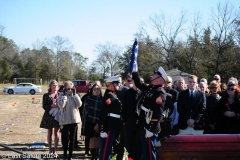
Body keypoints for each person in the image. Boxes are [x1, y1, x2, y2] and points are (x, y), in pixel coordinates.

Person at [132, 66, 168, 160]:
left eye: (155, 74)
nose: (152, 75)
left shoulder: (160, 93)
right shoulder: (152, 88)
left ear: (159, 79)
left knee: (150, 153)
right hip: (144, 125)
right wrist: (135, 73)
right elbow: (139, 84)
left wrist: (150, 129)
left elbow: (157, 113)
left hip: (150, 127)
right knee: (145, 152)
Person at [99, 75, 123, 160]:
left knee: (108, 150)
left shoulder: (113, 95)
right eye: (118, 83)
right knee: (105, 150)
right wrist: (102, 130)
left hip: (113, 127)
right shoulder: (109, 96)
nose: (119, 85)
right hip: (108, 127)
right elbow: (103, 113)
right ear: (112, 84)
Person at [58, 80, 82, 160]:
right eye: (68, 89)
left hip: (74, 120)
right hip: (65, 120)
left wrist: (75, 95)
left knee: (72, 139)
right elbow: (61, 105)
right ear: (64, 89)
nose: (69, 91)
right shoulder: (61, 96)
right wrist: (65, 96)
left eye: (71, 89)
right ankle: (65, 155)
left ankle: (70, 155)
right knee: (65, 139)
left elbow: (79, 104)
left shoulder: (75, 95)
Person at [122, 77, 144, 160]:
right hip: (129, 122)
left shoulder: (142, 93)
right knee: (129, 143)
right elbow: (124, 107)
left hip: (140, 122)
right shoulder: (127, 93)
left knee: (138, 144)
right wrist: (124, 121)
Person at [82, 83, 103, 160]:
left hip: (99, 123)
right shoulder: (88, 98)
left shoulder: (102, 100)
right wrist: (91, 124)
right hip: (90, 122)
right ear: (91, 90)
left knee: (98, 139)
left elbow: (103, 113)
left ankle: (97, 155)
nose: (96, 91)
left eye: (98, 89)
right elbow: (86, 112)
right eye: (95, 89)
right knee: (91, 140)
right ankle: (92, 155)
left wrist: (98, 123)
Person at [40, 80, 60, 155]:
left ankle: (55, 149)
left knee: (57, 133)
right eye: (53, 85)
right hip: (48, 116)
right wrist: (51, 106)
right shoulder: (46, 95)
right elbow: (44, 106)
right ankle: (50, 149)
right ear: (50, 86)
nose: (55, 86)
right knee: (49, 132)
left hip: (57, 116)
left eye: (56, 85)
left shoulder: (60, 95)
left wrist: (58, 106)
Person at [80, 83, 93, 156]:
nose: (90, 90)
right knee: (87, 135)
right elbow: (81, 108)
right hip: (86, 118)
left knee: (94, 137)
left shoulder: (98, 97)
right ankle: (87, 150)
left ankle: (93, 150)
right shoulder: (85, 97)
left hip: (95, 119)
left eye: (92, 88)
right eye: (90, 88)